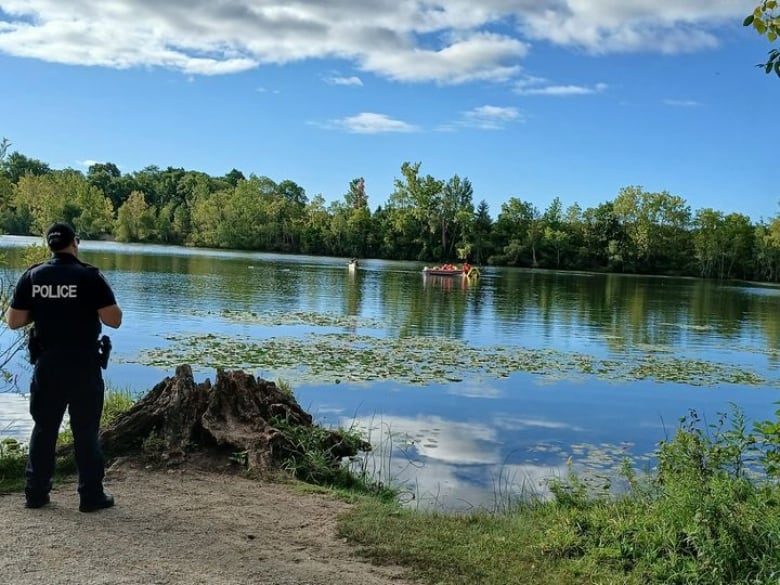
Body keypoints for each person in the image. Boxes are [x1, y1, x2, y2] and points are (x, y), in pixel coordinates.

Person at [5, 222, 122, 512]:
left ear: (50, 245)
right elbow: (114, 319)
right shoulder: (89, 277)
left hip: (49, 363)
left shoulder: (32, 276)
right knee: (85, 431)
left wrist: (46, 308)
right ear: (75, 242)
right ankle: (91, 496)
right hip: (83, 363)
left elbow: (14, 321)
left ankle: (36, 493)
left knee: (45, 428)